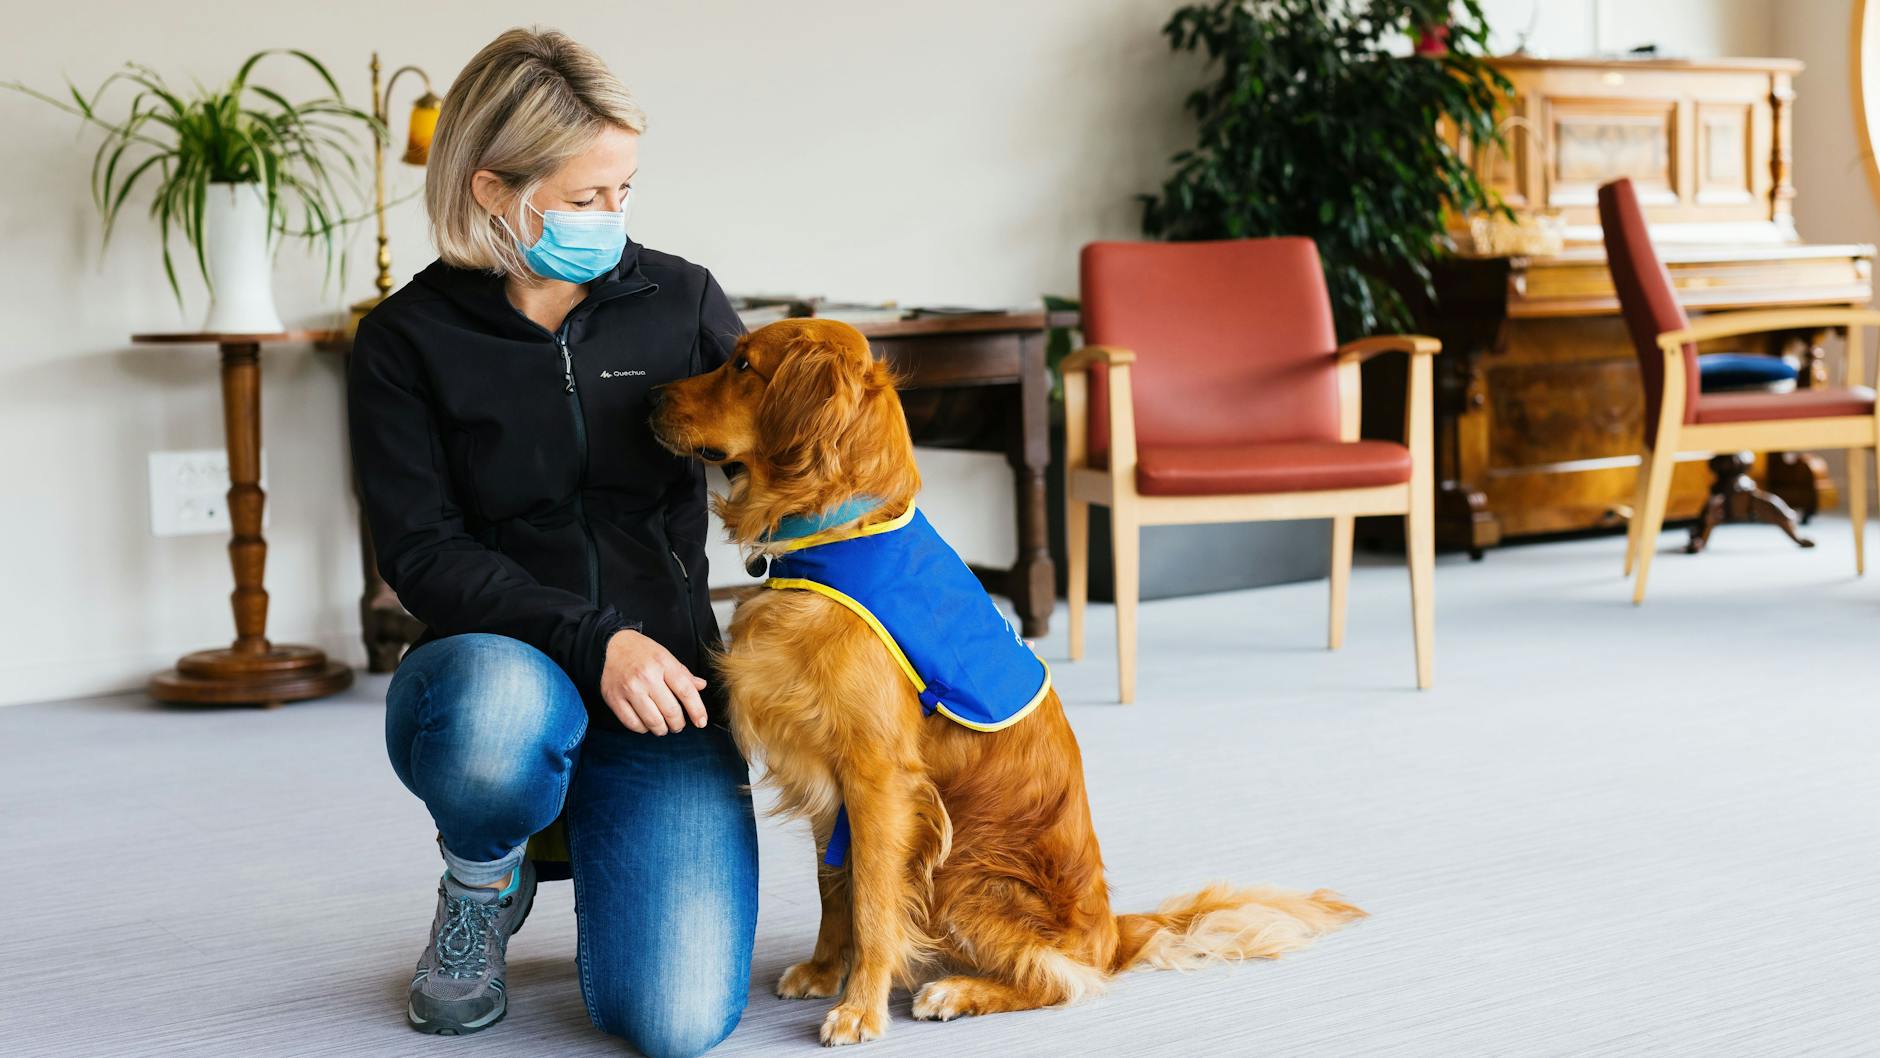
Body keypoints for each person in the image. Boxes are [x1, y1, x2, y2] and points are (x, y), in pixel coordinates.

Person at [346, 26, 754, 1057]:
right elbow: (420, 552)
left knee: (675, 1021)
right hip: (497, 670)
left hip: (664, 684)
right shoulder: (405, 341)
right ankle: (484, 875)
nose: (612, 217)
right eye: (585, 197)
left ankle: (578, 832)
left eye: (624, 190)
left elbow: (788, 457)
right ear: (492, 189)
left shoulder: (680, 301)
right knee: (495, 719)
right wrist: (594, 638)